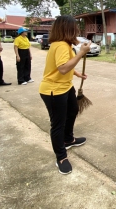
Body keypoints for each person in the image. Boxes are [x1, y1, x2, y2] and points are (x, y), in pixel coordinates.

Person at [39, 15, 91, 175]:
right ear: (67, 29)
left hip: (66, 87)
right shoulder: (60, 45)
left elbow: (63, 65)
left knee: (73, 110)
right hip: (54, 90)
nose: (77, 30)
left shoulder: (63, 45)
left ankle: (68, 139)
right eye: (74, 27)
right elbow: (62, 68)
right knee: (57, 124)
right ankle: (61, 157)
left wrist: (76, 73)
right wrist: (81, 53)